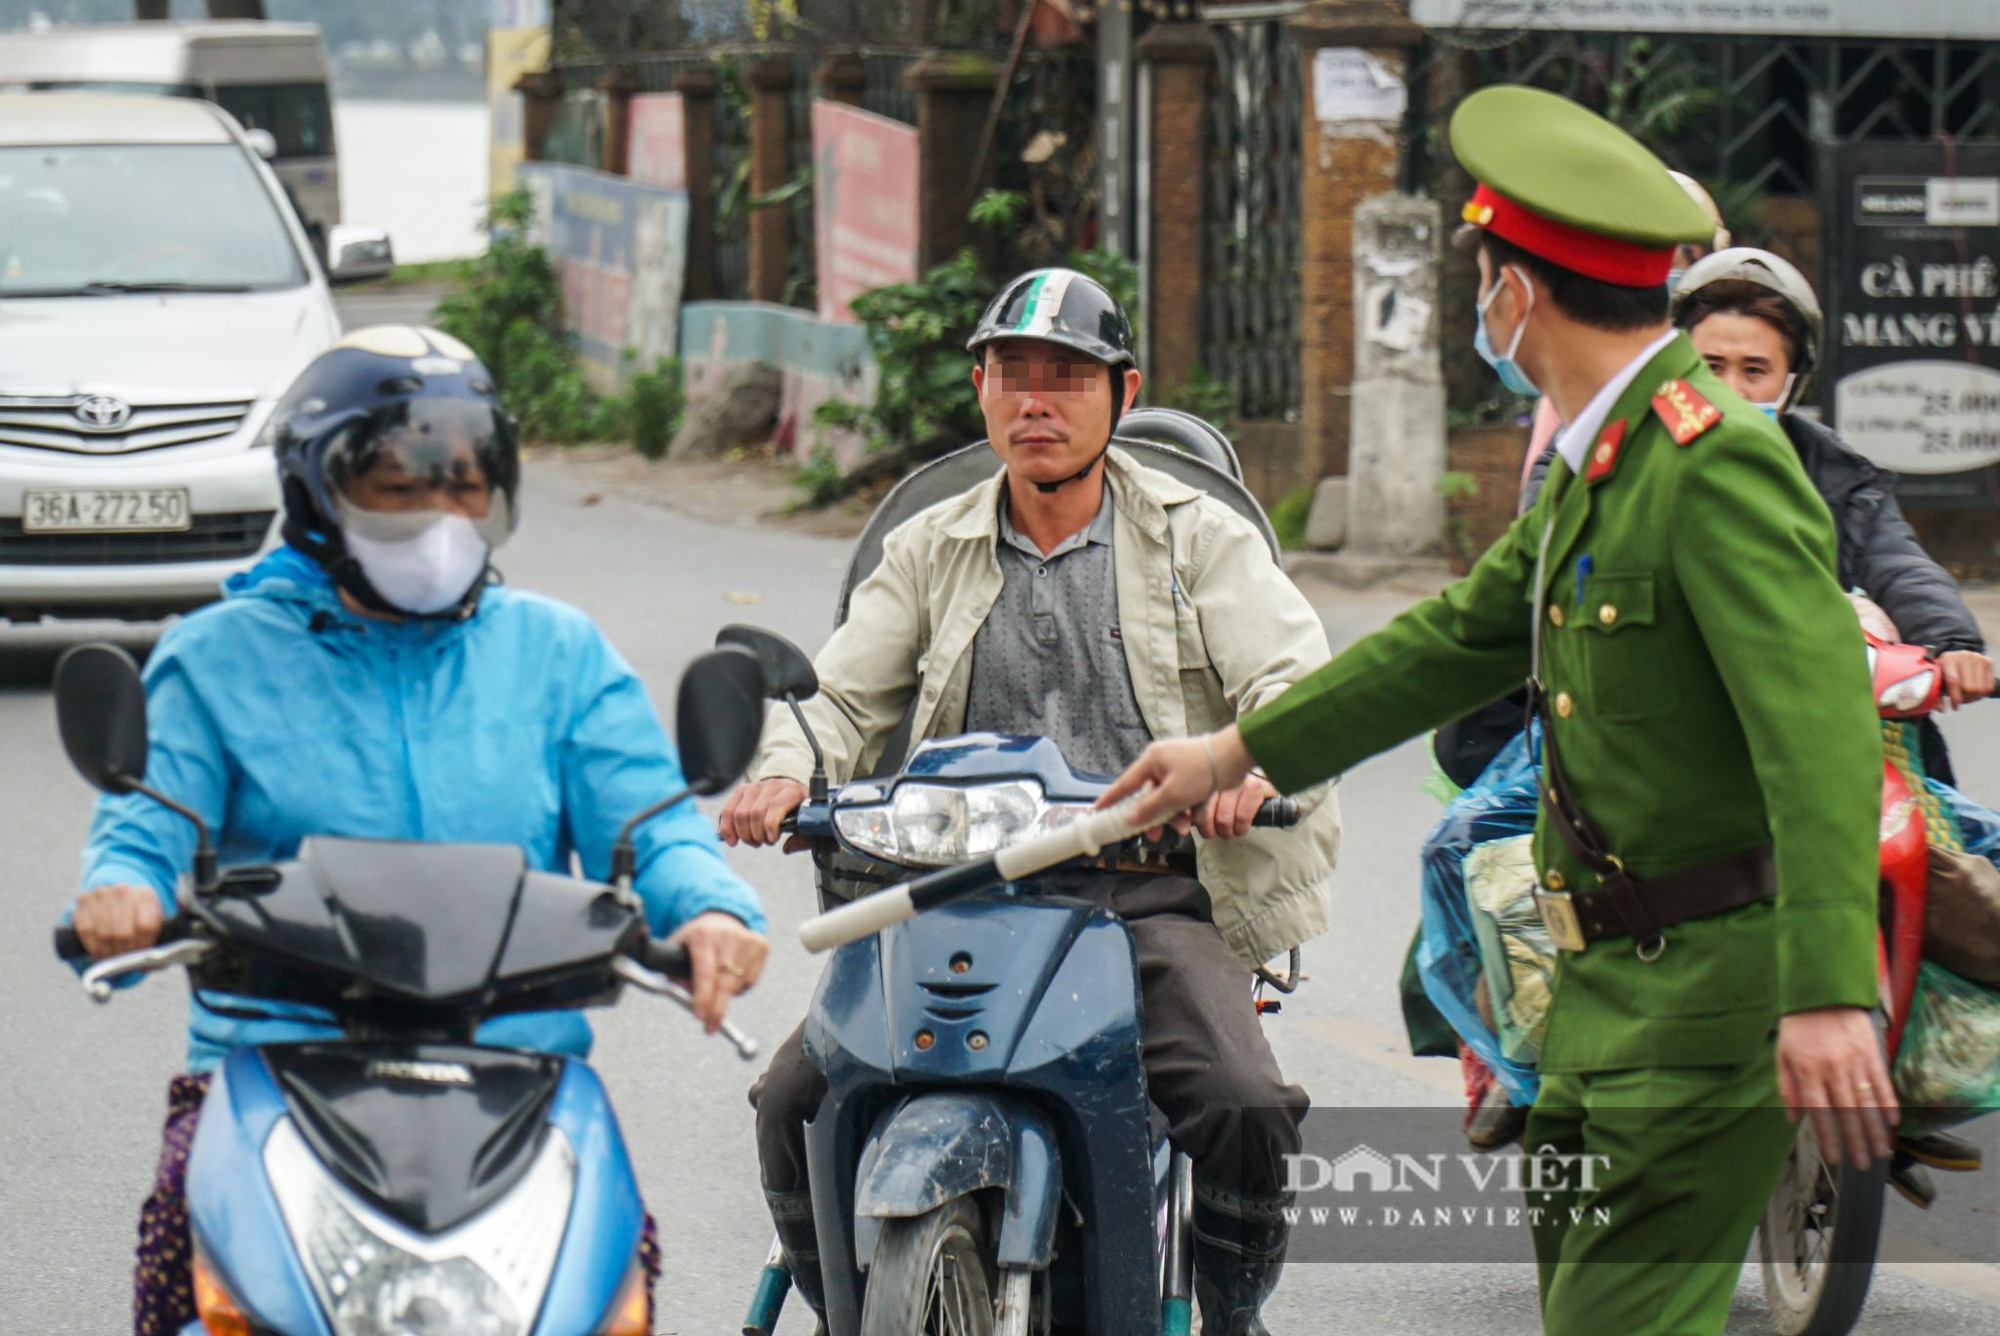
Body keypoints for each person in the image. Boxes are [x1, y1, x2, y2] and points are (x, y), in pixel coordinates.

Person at [1101, 86, 1896, 1336]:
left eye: (1482, 274)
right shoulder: (1604, 462)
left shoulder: (1714, 463)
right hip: (1595, 1006)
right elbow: (1455, 637)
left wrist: (1827, 992)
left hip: (1702, 1013)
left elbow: (1821, 741)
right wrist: (1229, 749)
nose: (1477, 302)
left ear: (1518, 292)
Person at [66, 326, 770, 1335]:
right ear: (315, 495)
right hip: (276, 1066)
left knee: (612, 1286)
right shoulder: (213, 657)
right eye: (399, 487)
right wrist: (122, 891)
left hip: (517, 1080)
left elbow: (655, 823)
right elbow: (146, 820)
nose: (439, 514)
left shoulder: (558, 655)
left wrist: (707, 908)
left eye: (465, 486)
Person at [718, 268, 1342, 1334]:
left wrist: (1253, 762)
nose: (1035, 403)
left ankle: (1231, 1312)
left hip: (1143, 892)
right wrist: (781, 767)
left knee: (1241, 1106)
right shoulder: (929, 547)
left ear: (1122, 392)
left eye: (1066, 379)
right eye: (1012, 377)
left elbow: (1288, 679)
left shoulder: (1198, 538)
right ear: (980, 391)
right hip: (947, 888)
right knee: (791, 1103)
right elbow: (835, 697)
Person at [1672, 247, 1996, 728]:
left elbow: (1899, 564)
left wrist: (1952, 643)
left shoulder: (1840, 474)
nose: (1731, 390)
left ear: (1793, 381)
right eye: (1711, 367)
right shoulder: (1613, 452)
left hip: (1812, 717)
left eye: (1755, 371)